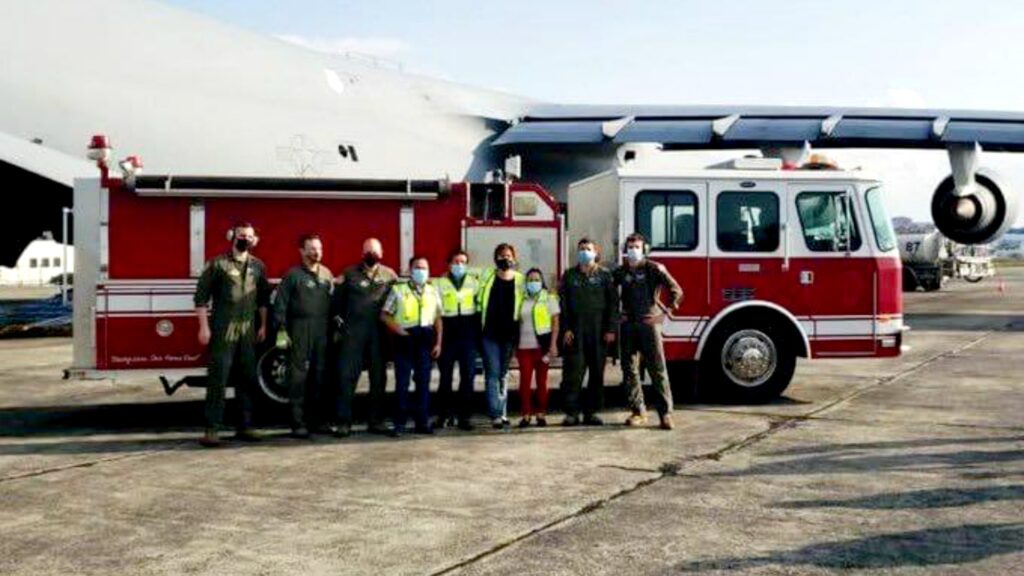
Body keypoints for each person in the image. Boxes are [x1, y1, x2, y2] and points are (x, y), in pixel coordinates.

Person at [193, 222, 271, 447]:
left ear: (254, 239)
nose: (244, 239)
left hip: (248, 330)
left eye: (248, 236)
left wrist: (263, 325)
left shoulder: (258, 266)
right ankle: (212, 429)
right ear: (232, 237)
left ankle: (245, 426)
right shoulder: (217, 264)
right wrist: (203, 327)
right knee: (219, 378)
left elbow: (263, 299)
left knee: (247, 378)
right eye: (241, 235)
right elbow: (200, 298)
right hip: (222, 330)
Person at [614, 232, 684, 430]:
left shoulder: (654, 269)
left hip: (648, 324)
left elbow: (677, 291)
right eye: (629, 247)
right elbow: (610, 294)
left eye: (637, 247)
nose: (633, 250)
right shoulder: (620, 272)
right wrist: (617, 314)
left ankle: (666, 414)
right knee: (629, 370)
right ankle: (638, 412)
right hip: (628, 326)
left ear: (644, 249)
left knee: (657, 369)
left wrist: (666, 313)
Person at [331, 238, 398, 436]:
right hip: (353, 334)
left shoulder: (390, 275)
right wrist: (338, 328)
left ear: (382, 253)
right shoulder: (349, 274)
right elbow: (336, 305)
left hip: (378, 335)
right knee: (346, 379)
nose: (371, 255)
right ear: (362, 253)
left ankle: (376, 421)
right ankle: (344, 423)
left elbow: (397, 304)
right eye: (368, 251)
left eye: (375, 252)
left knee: (379, 379)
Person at [274, 233, 334, 438]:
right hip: (299, 329)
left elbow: (333, 304)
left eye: (319, 248)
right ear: (302, 251)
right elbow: (280, 304)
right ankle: (297, 423)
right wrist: (282, 330)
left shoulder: (327, 274)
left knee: (321, 376)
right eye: (311, 248)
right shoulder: (292, 275)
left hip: (322, 330)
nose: (316, 252)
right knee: (298, 377)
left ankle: (318, 421)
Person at [381, 257, 443, 436]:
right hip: (405, 339)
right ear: (409, 270)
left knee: (423, 384)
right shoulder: (398, 290)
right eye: (417, 267)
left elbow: (438, 318)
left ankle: (422, 423)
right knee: (402, 383)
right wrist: (399, 331)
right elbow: (385, 315)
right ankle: (399, 424)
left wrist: (438, 342)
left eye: (424, 268)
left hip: (425, 339)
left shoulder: (432, 291)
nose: (421, 271)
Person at [559, 237, 617, 426]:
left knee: (597, 373)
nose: (584, 252)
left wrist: (610, 329)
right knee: (572, 374)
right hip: (575, 331)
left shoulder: (605, 275)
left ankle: (592, 412)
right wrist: (565, 328)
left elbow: (613, 304)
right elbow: (563, 305)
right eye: (581, 248)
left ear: (596, 252)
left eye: (588, 248)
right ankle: (571, 413)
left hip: (599, 331)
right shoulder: (569, 275)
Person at [477, 243, 524, 429]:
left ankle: (502, 413)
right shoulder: (487, 277)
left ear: (514, 258)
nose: (505, 258)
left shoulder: (520, 279)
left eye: (508, 255)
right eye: (501, 255)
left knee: (503, 374)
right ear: (495, 258)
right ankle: (495, 414)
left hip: (509, 335)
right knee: (493, 373)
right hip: (489, 333)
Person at [434, 249, 479, 431]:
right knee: (445, 379)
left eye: (463, 262)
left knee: (467, 378)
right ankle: (443, 416)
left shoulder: (474, 283)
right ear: (449, 264)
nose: (459, 265)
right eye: (456, 262)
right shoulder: (439, 283)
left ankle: (464, 417)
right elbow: (436, 312)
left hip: (468, 335)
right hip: (448, 335)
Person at [516, 268, 560, 428]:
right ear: (526, 283)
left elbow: (555, 324)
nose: (533, 283)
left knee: (542, 382)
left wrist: (553, 345)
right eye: (530, 280)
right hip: (523, 348)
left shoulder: (549, 299)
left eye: (536, 280)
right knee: (525, 383)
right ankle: (526, 414)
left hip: (542, 348)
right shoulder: (521, 299)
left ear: (542, 282)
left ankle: (541, 413)